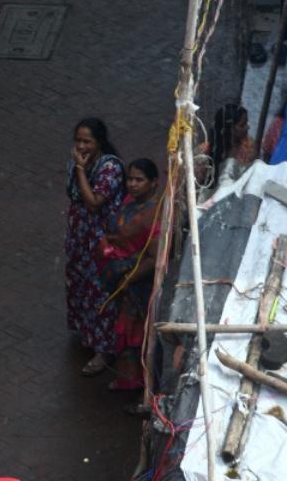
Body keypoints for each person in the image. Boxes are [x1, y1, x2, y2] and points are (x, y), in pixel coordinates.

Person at [98, 158, 161, 397]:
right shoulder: (130, 202)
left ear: (153, 183)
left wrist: (129, 279)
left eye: (139, 180)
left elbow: (153, 259)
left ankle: (147, 391)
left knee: (139, 337)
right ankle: (128, 380)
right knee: (126, 334)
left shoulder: (154, 215)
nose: (132, 184)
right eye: (130, 179)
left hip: (138, 284)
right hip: (121, 282)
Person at [66, 118, 124, 376]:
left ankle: (104, 349)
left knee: (100, 293)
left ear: (98, 142)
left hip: (100, 244)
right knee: (81, 287)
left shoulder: (109, 168)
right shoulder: (82, 163)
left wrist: (80, 169)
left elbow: (93, 202)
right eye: (78, 141)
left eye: (87, 141)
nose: (81, 146)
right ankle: (88, 334)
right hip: (81, 240)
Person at [208, 103, 255, 191]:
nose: (248, 127)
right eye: (242, 125)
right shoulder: (205, 154)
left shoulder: (249, 146)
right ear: (230, 129)